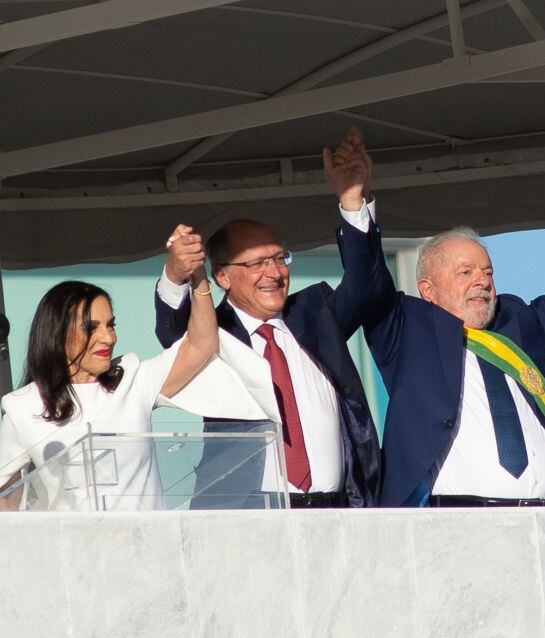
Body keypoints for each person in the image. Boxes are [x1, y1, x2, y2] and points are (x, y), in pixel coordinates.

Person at [338, 149, 545, 506]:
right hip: (453, 528)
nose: (481, 281)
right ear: (428, 291)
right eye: (465, 273)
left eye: (487, 272)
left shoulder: (519, 324)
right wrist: (354, 201)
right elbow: (368, 278)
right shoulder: (405, 331)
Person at [154, 126, 387, 508]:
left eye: (280, 258)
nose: (275, 272)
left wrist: (351, 200)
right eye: (258, 262)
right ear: (224, 276)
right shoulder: (212, 335)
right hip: (248, 511)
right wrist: (176, 274)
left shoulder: (316, 314)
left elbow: (367, 286)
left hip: (338, 507)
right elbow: (174, 334)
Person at [0, 236, 277, 511]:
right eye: (91, 328)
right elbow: (1, 499)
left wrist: (197, 275)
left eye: (110, 325)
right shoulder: (23, 407)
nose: (108, 338)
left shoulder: (132, 379)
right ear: (57, 334)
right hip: (76, 557)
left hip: (148, 552)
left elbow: (202, 343)